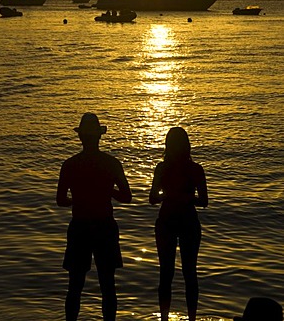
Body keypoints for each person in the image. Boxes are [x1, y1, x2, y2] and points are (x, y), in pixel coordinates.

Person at [56, 112, 132, 321]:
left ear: (80, 137)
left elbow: (60, 200)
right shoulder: (111, 163)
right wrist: (108, 192)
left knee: (75, 285)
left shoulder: (70, 165)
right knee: (108, 285)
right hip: (105, 227)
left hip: (80, 226)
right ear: (99, 136)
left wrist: (78, 200)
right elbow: (127, 197)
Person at [149, 127, 208, 321]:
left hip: (168, 222)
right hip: (186, 222)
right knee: (189, 273)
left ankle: (165, 318)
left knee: (167, 274)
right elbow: (203, 201)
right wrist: (186, 197)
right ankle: (190, 318)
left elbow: (153, 198)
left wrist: (171, 195)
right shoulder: (195, 169)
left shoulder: (162, 168)